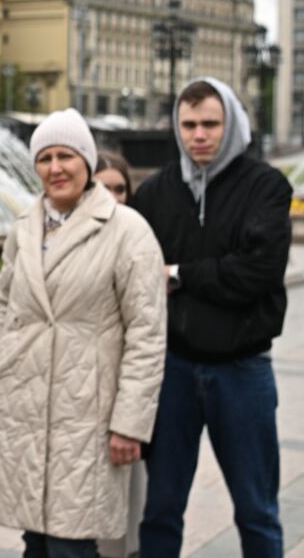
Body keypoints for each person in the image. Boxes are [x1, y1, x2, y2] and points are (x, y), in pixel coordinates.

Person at [0, 108, 166, 558]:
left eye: (66, 156)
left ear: (87, 161)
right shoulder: (24, 227)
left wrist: (129, 425)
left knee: (72, 542)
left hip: (88, 415)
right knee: (36, 540)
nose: (55, 168)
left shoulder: (126, 230)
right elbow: (3, 303)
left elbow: (147, 333)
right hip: (25, 408)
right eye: (45, 158)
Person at [131, 78, 293, 558]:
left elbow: (257, 272)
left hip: (243, 370)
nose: (199, 135)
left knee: (257, 510)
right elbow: (140, 274)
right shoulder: (157, 192)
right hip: (174, 371)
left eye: (210, 124)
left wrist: (178, 274)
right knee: (161, 509)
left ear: (232, 124)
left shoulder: (265, 186)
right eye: (189, 125)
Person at [92, 148, 144, 558]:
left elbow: (147, 337)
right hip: (75, 404)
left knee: (125, 523)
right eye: (101, 187)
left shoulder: (138, 240)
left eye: (119, 189)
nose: (111, 197)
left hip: (122, 405)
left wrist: (130, 418)